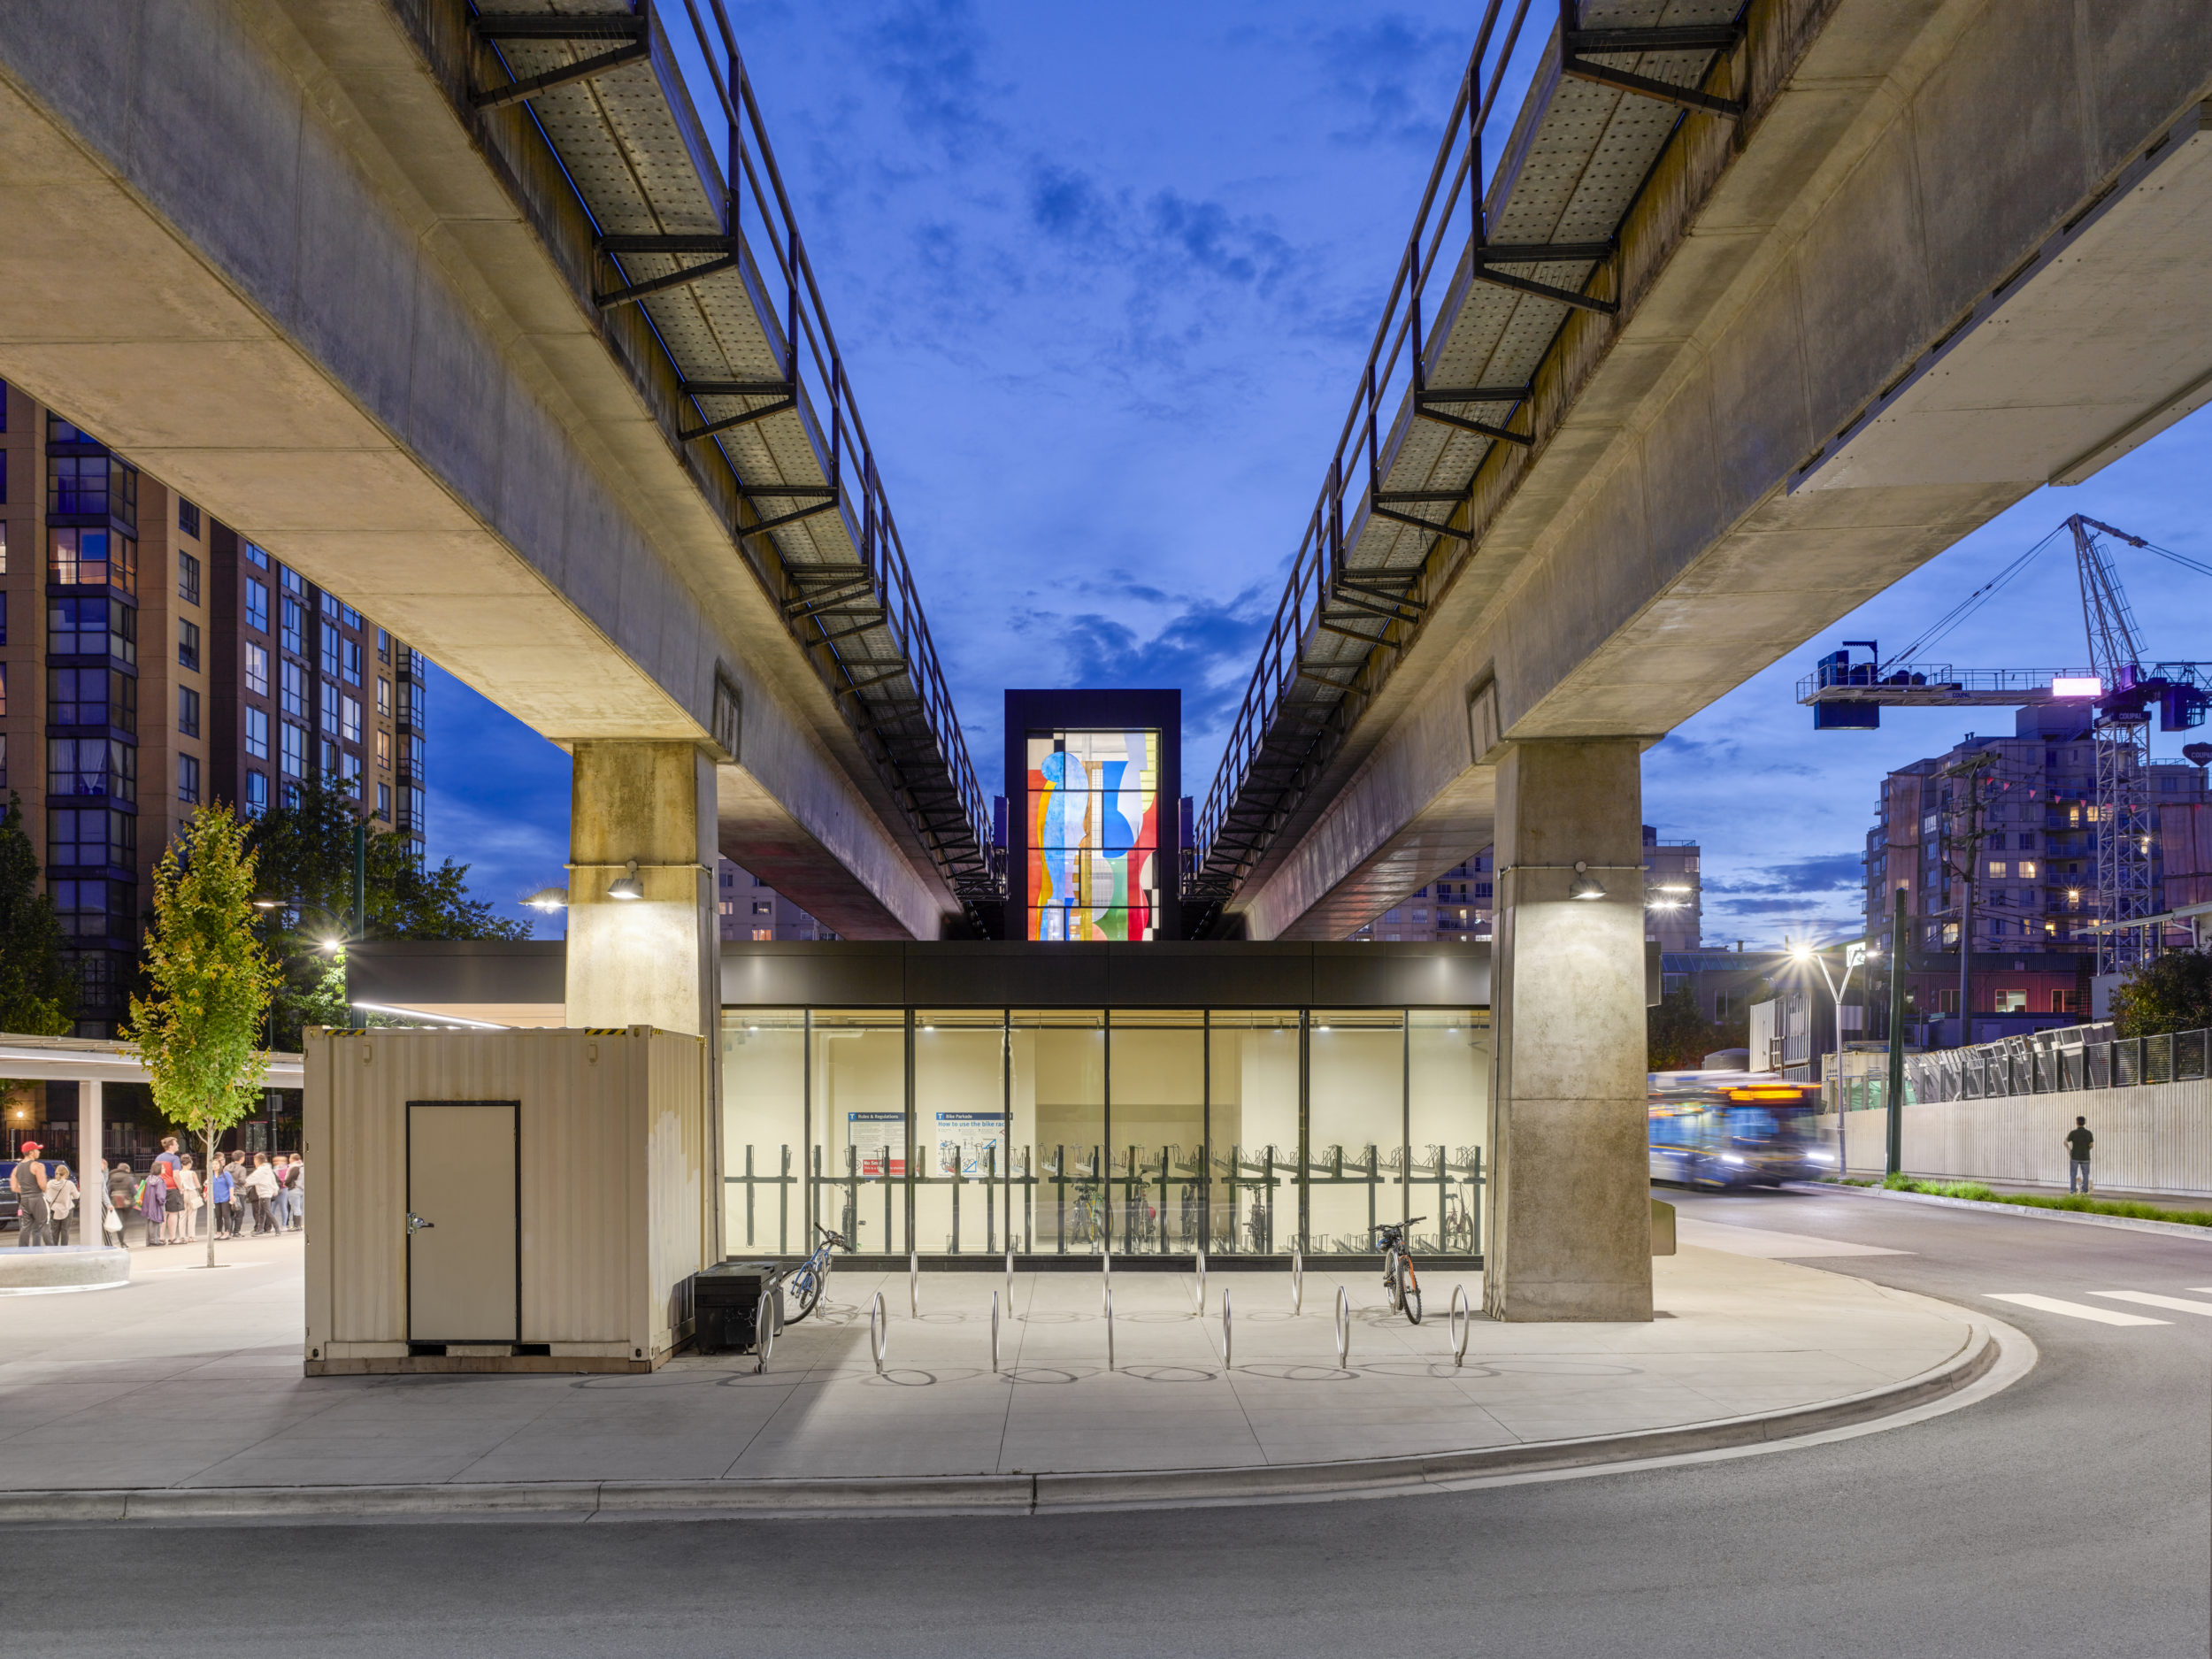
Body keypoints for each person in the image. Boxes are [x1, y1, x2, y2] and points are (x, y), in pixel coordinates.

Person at [10, 1145, 51, 1247]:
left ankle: (23, 1251)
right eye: (37, 1150)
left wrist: (25, 1191)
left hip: (24, 1199)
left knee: (25, 1227)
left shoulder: (16, 1168)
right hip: (37, 1198)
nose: (39, 1152)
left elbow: (14, 1188)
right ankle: (52, 1250)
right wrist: (45, 1191)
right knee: (44, 1225)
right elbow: (42, 1185)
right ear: (31, 1152)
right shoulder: (38, 1166)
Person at [244, 1153, 280, 1234]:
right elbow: (273, 1180)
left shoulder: (260, 1170)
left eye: (254, 1160)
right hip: (264, 1193)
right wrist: (275, 1189)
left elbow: (252, 1179)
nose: (254, 1162)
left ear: (257, 1161)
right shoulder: (268, 1169)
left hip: (264, 1193)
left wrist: (244, 1183)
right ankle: (260, 1229)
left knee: (268, 1212)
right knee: (262, 1213)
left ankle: (277, 1228)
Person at [46, 1163, 78, 1244]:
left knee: (54, 1231)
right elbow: (76, 1196)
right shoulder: (69, 1184)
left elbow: (47, 1197)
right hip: (67, 1210)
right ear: (66, 1174)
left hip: (54, 1210)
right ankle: (64, 1250)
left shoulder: (50, 1184)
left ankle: (54, 1250)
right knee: (65, 1231)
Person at [174, 1154, 204, 1243]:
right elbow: (198, 1185)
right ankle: (191, 1236)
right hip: (192, 1193)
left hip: (182, 1193)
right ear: (190, 1163)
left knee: (182, 1216)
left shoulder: (178, 1173)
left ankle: (182, 1236)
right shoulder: (192, 1173)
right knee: (192, 1215)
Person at [139, 1161, 167, 1245]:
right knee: (157, 1222)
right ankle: (155, 1240)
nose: (164, 1169)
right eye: (163, 1168)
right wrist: (163, 1201)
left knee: (150, 1222)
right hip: (157, 1204)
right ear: (158, 1169)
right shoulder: (160, 1181)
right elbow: (160, 1194)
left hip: (148, 1203)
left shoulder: (148, 1179)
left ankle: (149, 1241)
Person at [2065, 1116, 2094, 1194]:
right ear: (2084, 1123)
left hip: (2074, 1156)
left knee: (2073, 1174)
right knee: (2085, 1175)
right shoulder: (2089, 1133)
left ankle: (2073, 1191)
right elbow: (2091, 1145)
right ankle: (2084, 1191)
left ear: (2077, 1123)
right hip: (2085, 1157)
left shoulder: (2073, 1133)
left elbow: (2065, 1142)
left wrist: (2069, 1150)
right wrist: (2086, 1149)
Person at [210, 1158, 235, 1239]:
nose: (215, 1166)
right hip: (216, 1199)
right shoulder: (211, 1176)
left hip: (225, 1197)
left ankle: (227, 1232)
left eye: (216, 1164)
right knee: (218, 1216)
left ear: (220, 1165)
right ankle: (218, 1232)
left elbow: (231, 1185)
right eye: (213, 1164)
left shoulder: (225, 1174)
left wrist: (231, 1196)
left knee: (226, 1215)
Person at [286, 1153, 305, 1230]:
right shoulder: (302, 1166)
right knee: (300, 1208)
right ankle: (299, 1225)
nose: (289, 1159)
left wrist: (286, 1183)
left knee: (296, 1208)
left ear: (293, 1159)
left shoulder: (294, 1168)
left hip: (294, 1189)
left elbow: (289, 1179)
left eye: (290, 1158)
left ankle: (296, 1226)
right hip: (302, 1189)